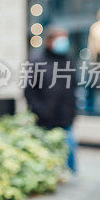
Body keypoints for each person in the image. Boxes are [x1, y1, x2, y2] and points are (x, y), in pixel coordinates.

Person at [24, 26, 78, 172]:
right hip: (44, 121)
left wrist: (72, 113)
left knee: (70, 155)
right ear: (49, 41)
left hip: (65, 120)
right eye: (59, 38)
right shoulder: (37, 61)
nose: (63, 42)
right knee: (46, 159)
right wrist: (40, 110)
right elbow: (29, 91)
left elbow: (72, 90)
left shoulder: (68, 61)